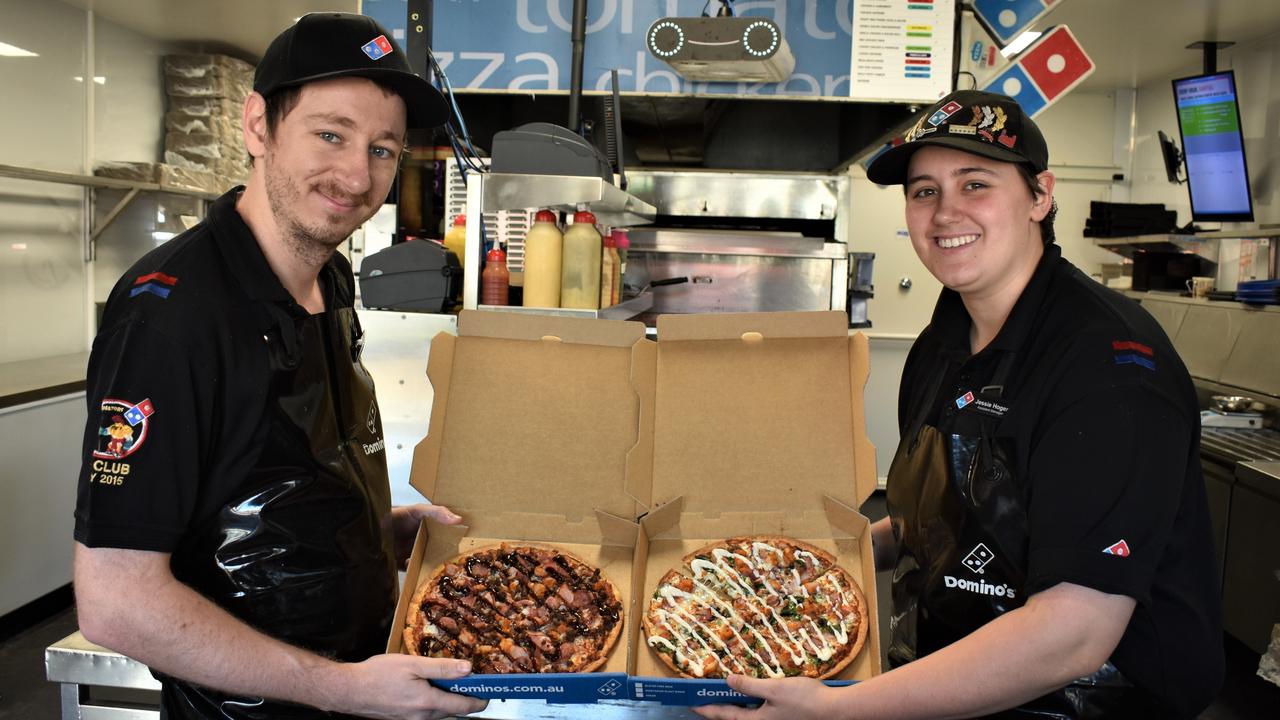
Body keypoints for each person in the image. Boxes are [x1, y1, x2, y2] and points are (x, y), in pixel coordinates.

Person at [694, 90, 1224, 719]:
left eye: (975, 184)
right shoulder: (945, 340)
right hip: (945, 683)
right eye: (924, 191)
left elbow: (1077, 631)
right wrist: (815, 558)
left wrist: (844, 709)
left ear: (1040, 195)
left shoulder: (1109, 367)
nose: (945, 213)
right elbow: (946, 517)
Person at [72, 13, 488, 720]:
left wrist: (373, 528)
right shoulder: (171, 315)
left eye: (383, 149)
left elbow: (265, 483)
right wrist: (340, 688)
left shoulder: (331, 281)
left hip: (362, 689)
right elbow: (117, 601)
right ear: (259, 125)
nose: (359, 175)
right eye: (330, 134)